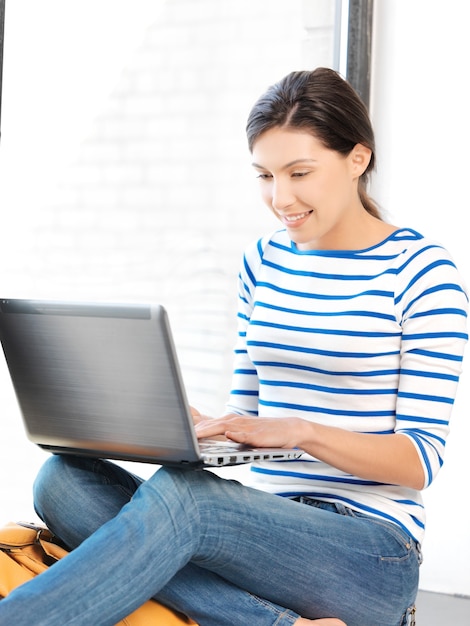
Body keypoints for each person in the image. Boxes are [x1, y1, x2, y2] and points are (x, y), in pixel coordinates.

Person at [0, 67, 467, 626]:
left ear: (357, 159)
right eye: (265, 175)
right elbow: (248, 414)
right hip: (265, 526)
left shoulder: (421, 272)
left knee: (188, 501)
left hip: (370, 548)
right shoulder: (263, 262)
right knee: (63, 481)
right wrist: (194, 427)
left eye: (300, 173)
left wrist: (303, 431)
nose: (280, 197)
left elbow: (420, 460)